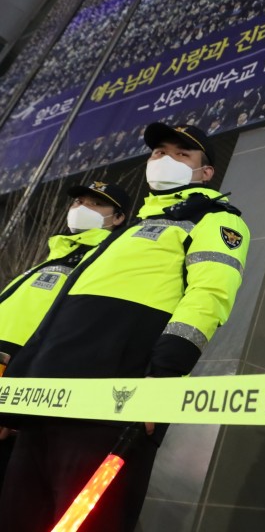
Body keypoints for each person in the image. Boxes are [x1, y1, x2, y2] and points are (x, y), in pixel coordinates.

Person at [0, 123, 249, 532]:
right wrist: (21, 385)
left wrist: (164, 377)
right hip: (43, 404)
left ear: (206, 173)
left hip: (111, 405)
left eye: (182, 154)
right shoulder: (125, 232)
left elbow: (210, 296)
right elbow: (58, 314)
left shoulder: (215, 220)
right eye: (157, 152)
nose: (164, 160)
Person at [0, 180, 130, 494]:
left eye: (95, 204)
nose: (81, 209)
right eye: (78, 202)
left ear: (118, 218)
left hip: (20, 375)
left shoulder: (106, 261)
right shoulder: (56, 254)